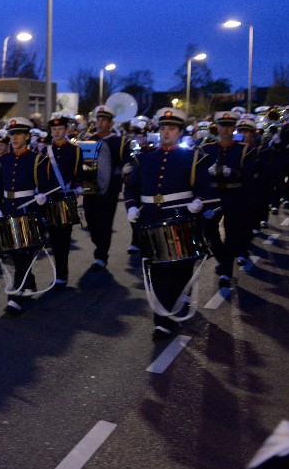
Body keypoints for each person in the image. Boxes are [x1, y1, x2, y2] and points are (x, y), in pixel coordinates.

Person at [124, 107, 215, 341]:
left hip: (180, 219)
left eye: (171, 128)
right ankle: (162, 320)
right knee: (156, 270)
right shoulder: (144, 158)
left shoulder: (192, 157)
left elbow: (205, 189)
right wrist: (131, 206)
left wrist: (198, 201)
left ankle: (167, 313)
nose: (166, 133)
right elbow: (131, 187)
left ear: (180, 132)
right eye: (163, 128)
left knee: (179, 269)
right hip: (151, 220)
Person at [200, 110, 256, 289]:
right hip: (213, 197)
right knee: (209, 233)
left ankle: (226, 272)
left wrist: (231, 173)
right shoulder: (207, 149)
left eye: (229, 126)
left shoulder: (245, 150)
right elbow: (198, 174)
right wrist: (206, 174)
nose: (225, 130)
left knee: (232, 235)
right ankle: (223, 259)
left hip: (235, 196)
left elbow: (250, 175)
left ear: (234, 127)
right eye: (222, 126)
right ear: (217, 127)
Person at [0, 117, 40, 315]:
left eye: (19, 134)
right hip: (8, 210)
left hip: (27, 212)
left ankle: (15, 296)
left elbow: (45, 185)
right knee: (14, 252)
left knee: (22, 253)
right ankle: (30, 283)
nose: (14, 138)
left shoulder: (36, 159)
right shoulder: (3, 160)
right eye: (12, 134)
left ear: (28, 136)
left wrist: (41, 197)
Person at [34, 114, 83, 290]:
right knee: (54, 237)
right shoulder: (45, 152)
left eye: (60, 129)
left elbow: (78, 173)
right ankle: (60, 273)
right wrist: (40, 193)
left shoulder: (74, 150)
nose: (56, 132)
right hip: (49, 200)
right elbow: (40, 176)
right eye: (53, 129)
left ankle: (62, 274)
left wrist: (77, 186)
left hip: (66, 199)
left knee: (64, 237)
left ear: (66, 130)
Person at [81, 105, 132, 272]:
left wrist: (125, 169)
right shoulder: (88, 140)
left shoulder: (120, 141)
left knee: (105, 222)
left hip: (110, 190)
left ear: (110, 123)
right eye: (98, 119)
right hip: (90, 189)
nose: (100, 123)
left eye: (103, 120)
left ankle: (101, 256)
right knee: (91, 221)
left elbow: (127, 162)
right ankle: (99, 244)